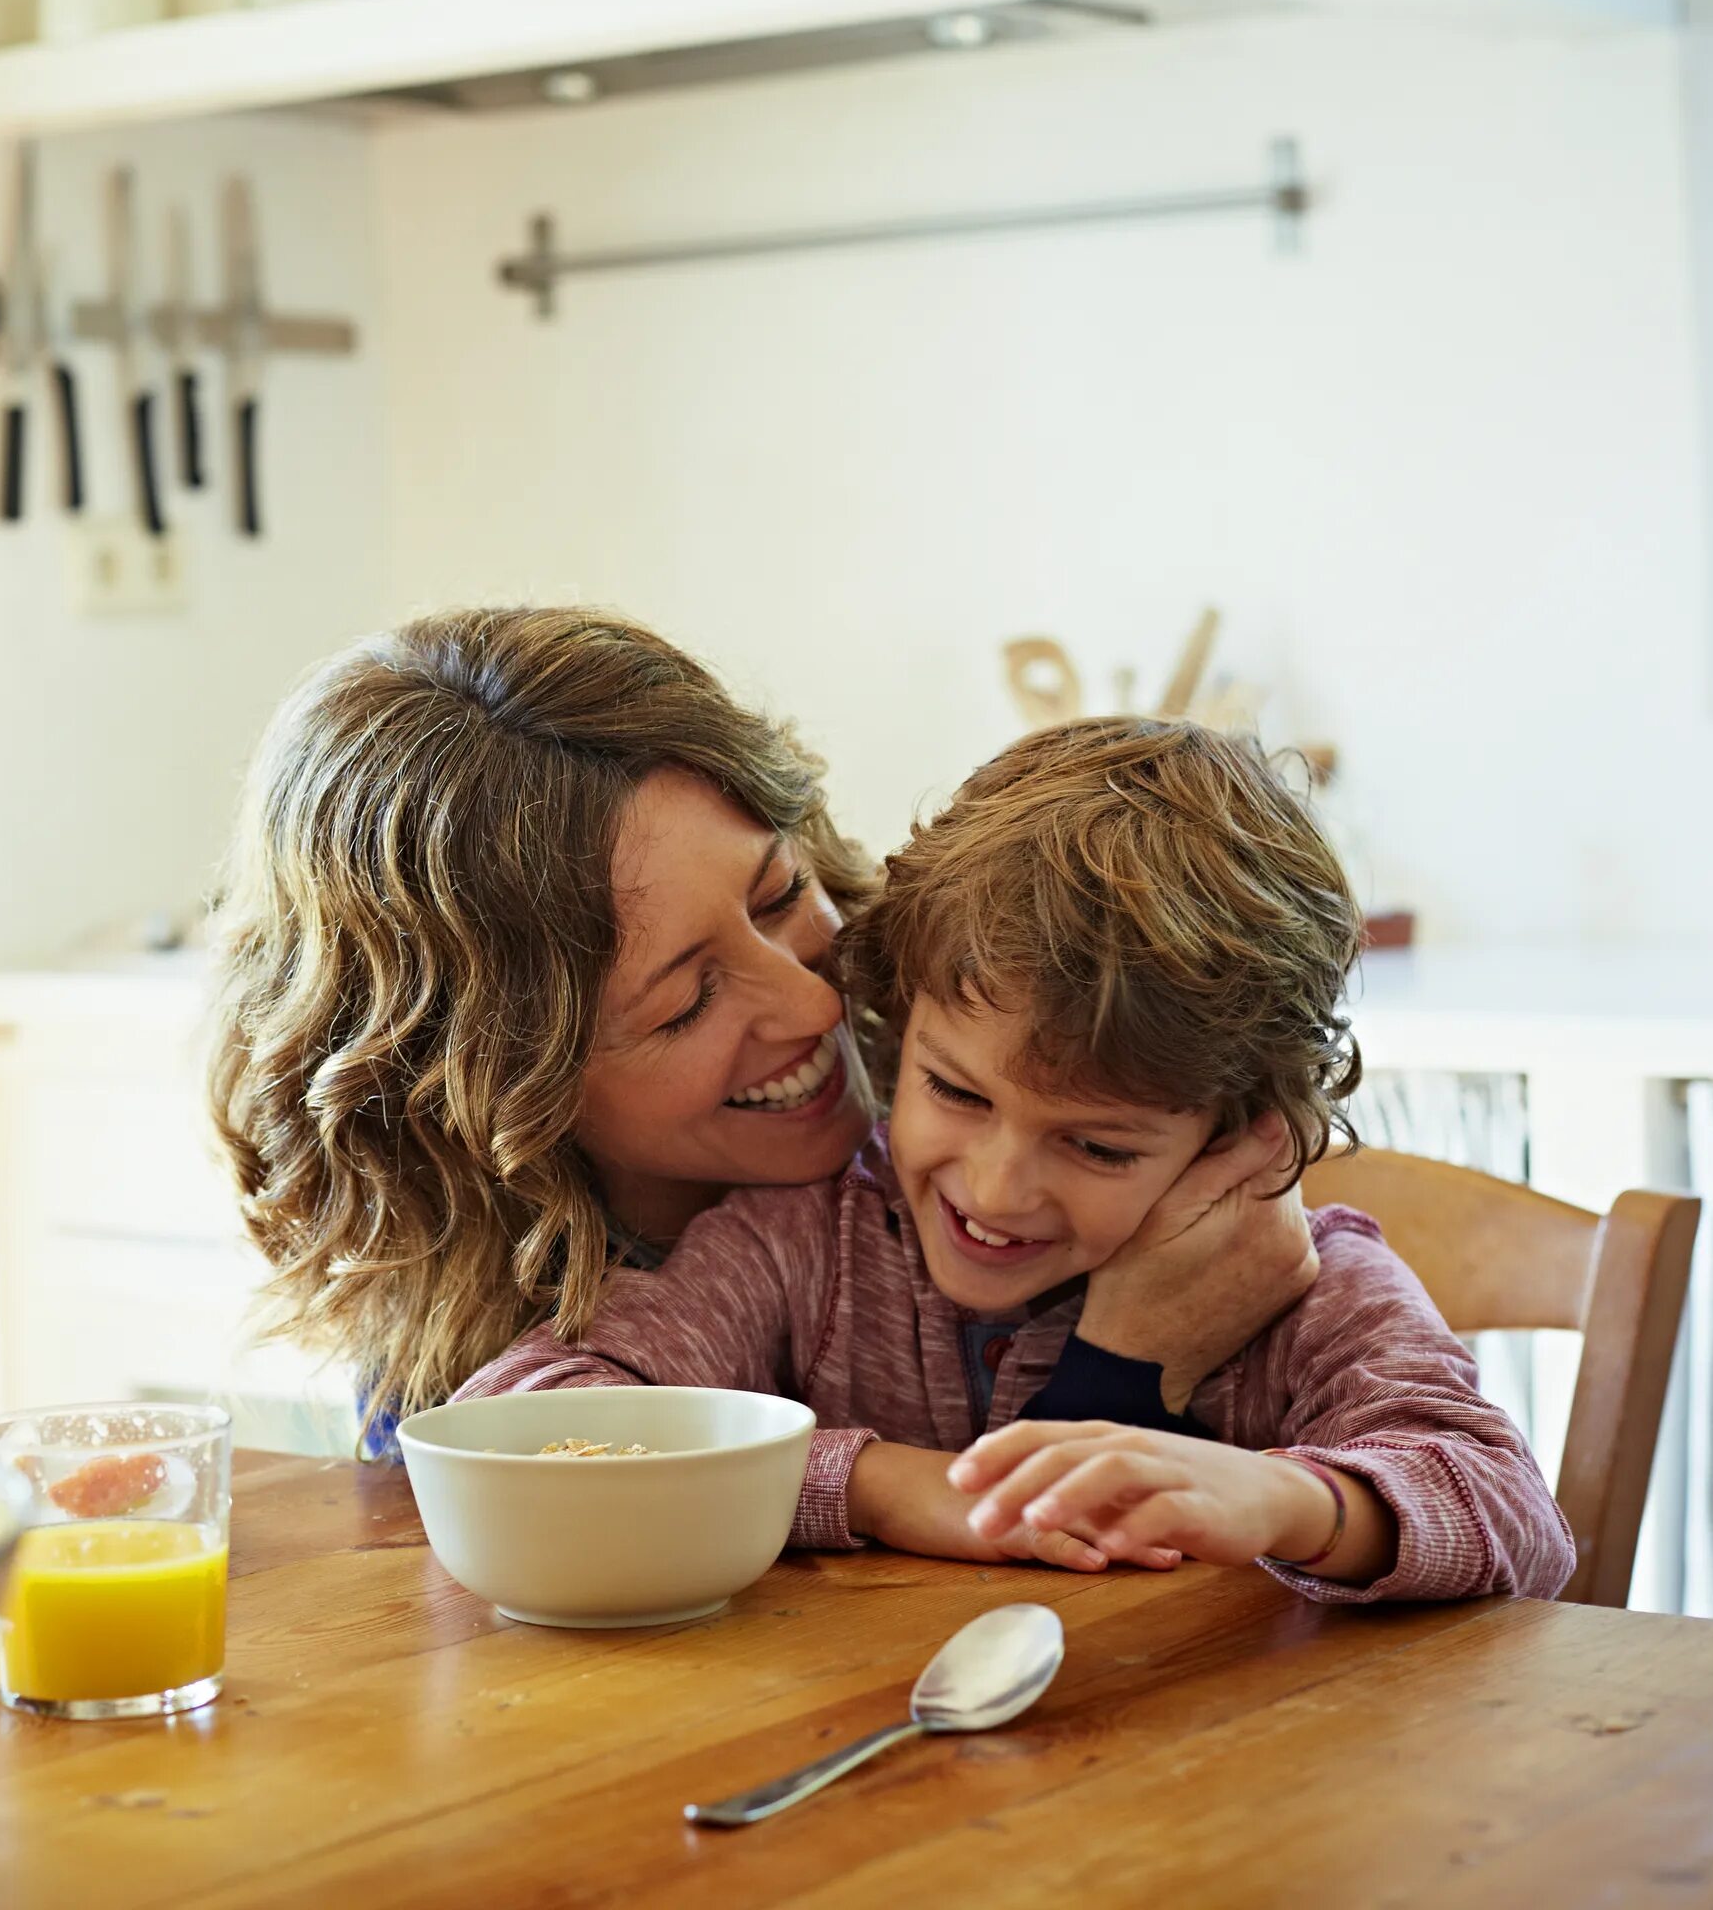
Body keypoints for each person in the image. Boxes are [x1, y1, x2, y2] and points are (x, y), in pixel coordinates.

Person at [205, 606, 1322, 1521]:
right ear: (495, 1087)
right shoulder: (491, 1368)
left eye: (782, 893)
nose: (814, 997)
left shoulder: (995, 1107)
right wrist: (1103, 1378)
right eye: (686, 1000)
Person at [458, 716, 1573, 1602]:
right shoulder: (806, 1244)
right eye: (953, 1091)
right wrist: (883, 1483)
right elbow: (533, 1411)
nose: (994, 1187)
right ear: (900, 1024)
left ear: (1238, 1137)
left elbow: (1518, 1520)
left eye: (1096, 1144)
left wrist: (1293, 1501)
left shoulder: (1305, 1288)